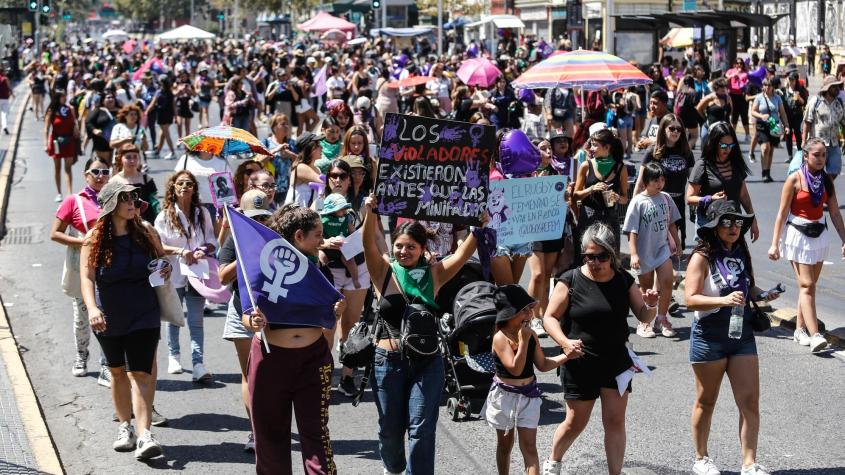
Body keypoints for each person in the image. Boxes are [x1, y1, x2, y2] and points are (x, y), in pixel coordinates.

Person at [362, 192, 487, 475]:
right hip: (388, 362)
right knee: (390, 430)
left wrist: (479, 227)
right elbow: (368, 243)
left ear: (422, 249)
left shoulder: (434, 274)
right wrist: (371, 214)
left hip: (428, 363)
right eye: (399, 246)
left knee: (421, 428)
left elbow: (463, 253)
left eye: (411, 247)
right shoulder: (382, 271)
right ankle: (393, 468)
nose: (404, 252)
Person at [541, 222, 659, 475]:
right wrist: (564, 342)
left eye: (602, 256)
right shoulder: (570, 279)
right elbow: (549, 317)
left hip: (616, 362)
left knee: (615, 422)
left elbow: (644, 317)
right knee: (575, 422)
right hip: (581, 361)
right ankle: (554, 460)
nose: (596, 262)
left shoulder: (624, 280)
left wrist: (651, 306)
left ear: (611, 254)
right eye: (590, 256)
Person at [242, 204, 345, 475]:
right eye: (317, 234)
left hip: (313, 359)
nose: (322, 240)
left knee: (315, 433)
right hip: (270, 359)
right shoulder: (259, 264)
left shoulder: (319, 266)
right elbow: (245, 312)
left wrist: (337, 312)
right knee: (270, 436)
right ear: (299, 236)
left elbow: (329, 315)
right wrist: (252, 321)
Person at [684, 200, 780, 475]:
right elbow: (690, 299)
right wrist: (724, 300)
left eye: (738, 222)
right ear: (714, 227)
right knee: (706, 400)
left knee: (749, 400)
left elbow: (746, 286)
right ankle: (701, 458)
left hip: (741, 333)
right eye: (727, 222)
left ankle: (749, 463)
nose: (734, 227)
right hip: (709, 334)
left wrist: (762, 295)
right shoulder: (701, 257)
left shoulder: (740, 252)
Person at [79, 181, 167, 460]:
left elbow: (162, 261)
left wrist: (165, 268)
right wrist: (92, 308)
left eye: (133, 197)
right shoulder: (94, 238)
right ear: (110, 206)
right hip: (108, 315)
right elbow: (87, 277)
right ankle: (125, 427)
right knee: (116, 372)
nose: (132, 202)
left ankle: (144, 435)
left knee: (140, 373)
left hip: (144, 312)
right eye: (125, 198)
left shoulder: (146, 231)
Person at [486, 285, 579, 475]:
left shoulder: (530, 334)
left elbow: (543, 364)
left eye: (530, 308)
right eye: (524, 310)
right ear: (509, 314)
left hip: (528, 396)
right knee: (505, 446)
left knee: (529, 447)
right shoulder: (500, 337)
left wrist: (567, 356)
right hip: (505, 398)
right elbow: (515, 368)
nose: (530, 313)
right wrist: (524, 341)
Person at [768, 138, 845, 352]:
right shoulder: (794, 180)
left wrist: (844, 240)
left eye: (823, 155)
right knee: (807, 286)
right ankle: (815, 334)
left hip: (819, 234)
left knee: (808, 287)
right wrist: (774, 244)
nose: (820, 159)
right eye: (816, 155)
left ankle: (799, 330)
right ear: (805, 155)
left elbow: (836, 213)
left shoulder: (826, 181)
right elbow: (782, 214)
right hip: (798, 235)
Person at [218, 189, 273, 453]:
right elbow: (222, 277)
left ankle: (271, 426)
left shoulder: (275, 237)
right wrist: (244, 255)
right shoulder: (233, 240)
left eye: (263, 217)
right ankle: (254, 431)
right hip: (241, 310)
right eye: (254, 218)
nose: (259, 223)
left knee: (272, 374)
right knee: (249, 373)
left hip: (272, 314)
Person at [50, 157, 112, 383]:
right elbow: (54, 233)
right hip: (82, 266)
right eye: (95, 172)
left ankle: (107, 363)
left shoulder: (114, 198)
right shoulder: (74, 200)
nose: (100, 176)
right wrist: (82, 242)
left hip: (111, 265)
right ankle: (81, 354)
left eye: (105, 172)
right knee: (82, 317)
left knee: (108, 315)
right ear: (86, 174)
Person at [154, 171, 217, 381]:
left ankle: (198, 363)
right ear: (172, 187)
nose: (184, 187)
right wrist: (180, 251)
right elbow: (157, 245)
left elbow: (212, 240)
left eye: (188, 183)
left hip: (198, 273)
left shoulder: (202, 213)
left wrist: (203, 250)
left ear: (194, 188)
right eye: (180, 183)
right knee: (175, 316)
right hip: (174, 273)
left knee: (196, 320)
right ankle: (174, 355)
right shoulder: (164, 216)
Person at [624, 162, 682, 338]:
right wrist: (633, 254)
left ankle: (662, 318)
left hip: (662, 250)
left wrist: (677, 243)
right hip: (644, 252)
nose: (660, 184)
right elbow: (631, 231)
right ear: (646, 181)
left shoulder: (665, 198)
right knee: (647, 289)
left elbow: (671, 223)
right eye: (656, 180)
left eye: (662, 180)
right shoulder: (638, 202)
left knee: (666, 281)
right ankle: (645, 322)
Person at [687, 122, 760, 242]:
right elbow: (689, 198)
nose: (727, 149)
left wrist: (753, 222)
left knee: (734, 259)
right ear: (714, 143)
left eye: (731, 145)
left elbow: (744, 197)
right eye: (723, 145)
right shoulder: (703, 165)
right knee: (708, 259)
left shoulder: (736, 164)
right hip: (709, 223)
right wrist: (710, 199)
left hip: (733, 224)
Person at [635, 113, 695, 247]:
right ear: (664, 129)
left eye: (679, 129)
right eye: (672, 128)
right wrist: (635, 207)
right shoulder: (653, 151)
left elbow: (692, 181)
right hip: (656, 201)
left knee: (673, 242)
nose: (675, 132)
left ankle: (668, 264)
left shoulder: (686, 152)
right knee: (658, 241)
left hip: (677, 202)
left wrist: (696, 200)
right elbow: (640, 182)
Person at [572, 128, 629, 258]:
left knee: (611, 258)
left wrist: (617, 198)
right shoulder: (586, 166)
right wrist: (591, 189)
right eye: (591, 144)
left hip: (610, 217)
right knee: (586, 258)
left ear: (607, 147)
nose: (591, 148)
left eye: (595, 145)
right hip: (588, 218)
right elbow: (575, 196)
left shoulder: (621, 168)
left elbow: (625, 198)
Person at [802, 76, 845, 179]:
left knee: (834, 170)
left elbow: (843, 122)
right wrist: (803, 141)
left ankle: (826, 189)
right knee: (816, 171)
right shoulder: (816, 101)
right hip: (818, 143)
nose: (837, 89)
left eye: (838, 86)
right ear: (828, 88)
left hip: (834, 143)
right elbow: (807, 121)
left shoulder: (839, 103)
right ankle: (822, 191)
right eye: (834, 87)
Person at [750, 77, 789, 182]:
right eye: (765, 85)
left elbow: (782, 113)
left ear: (773, 87)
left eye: (769, 85)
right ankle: (764, 172)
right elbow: (753, 111)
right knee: (765, 147)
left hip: (774, 125)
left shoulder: (777, 98)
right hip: (762, 126)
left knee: (771, 149)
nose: (767, 87)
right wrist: (761, 116)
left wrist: (786, 126)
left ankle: (768, 172)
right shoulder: (759, 97)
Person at [44, 89, 80, 202]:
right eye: (62, 96)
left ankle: (69, 192)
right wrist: (45, 144)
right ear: (58, 97)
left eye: (65, 96)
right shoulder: (52, 110)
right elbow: (46, 129)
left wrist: (76, 128)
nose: (65, 98)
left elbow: (75, 122)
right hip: (56, 141)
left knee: (68, 168)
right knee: (57, 167)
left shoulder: (70, 109)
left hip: (69, 140)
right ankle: (59, 192)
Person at [110, 144, 159, 223]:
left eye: (135, 157)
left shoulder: (147, 180)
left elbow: (155, 205)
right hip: (123, 225)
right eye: (128, 157)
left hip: (146, 224)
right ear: (120, 159)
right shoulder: (114, 181)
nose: (132, 161)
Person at [261, 114, 298, 204]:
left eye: (287, 124)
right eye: (283, 124)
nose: (286, 127)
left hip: (288, 187)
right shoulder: (266, 143)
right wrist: (275, 151)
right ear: (274, 127)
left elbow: (301, 162)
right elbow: (259, 161)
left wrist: (291, 155)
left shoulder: (292, 143)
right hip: (269, 187)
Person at [290, 132, 325, 208]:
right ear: (310, 148)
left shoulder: (317, 169)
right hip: (296, 215)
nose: (321, 147)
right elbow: (324, 182)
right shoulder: (300, 167)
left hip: (308, 214)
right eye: (318, 145)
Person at [147, 75, 177, 160]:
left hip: (161, 115)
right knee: (163, 133)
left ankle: (172, 152)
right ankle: (158, 151)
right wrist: (175, 116)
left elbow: (152, 104)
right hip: (169, 115)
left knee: (166, 133)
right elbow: (174, 105)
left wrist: (146, 112)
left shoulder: (159, 92)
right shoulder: (170, 92)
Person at [782, 72, 808, 160]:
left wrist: (799, 98)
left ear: (796, 80)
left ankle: (800, 154)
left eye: (792, 80)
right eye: (789, 79)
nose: (791, 81)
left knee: (797, 134)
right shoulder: (784, 90)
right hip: (787, 115)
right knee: (788, 135)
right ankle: (790, 156)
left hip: (797, 115)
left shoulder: (800, 90)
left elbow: (804, 102)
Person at [726, 58, 751, 141]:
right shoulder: (731, 71)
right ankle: (733, 134)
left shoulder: (745, 73)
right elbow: (726, 79)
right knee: (734, 115)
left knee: (744, 115)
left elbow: (748, 83)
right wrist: (734, 75)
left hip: (742, 96)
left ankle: (747, 135)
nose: (739, 65)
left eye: (741, 63)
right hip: (732, 95)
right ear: (735, 64)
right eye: (737, 63)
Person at [0, 65, 13, 134]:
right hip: (5, 98)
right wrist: (12, 94)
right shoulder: (5, 78)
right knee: (4, 113)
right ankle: (4, 126)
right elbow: (9, 87)